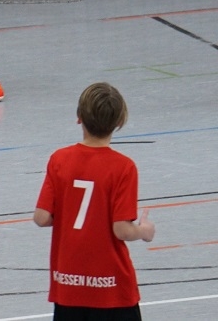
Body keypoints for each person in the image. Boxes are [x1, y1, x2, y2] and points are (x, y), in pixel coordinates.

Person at [34, 82, 155, 320]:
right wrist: (143, 231)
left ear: (79, 117)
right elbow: (121, 229)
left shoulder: (59, 159)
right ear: (119, 122)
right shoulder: (123, 167)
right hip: (111, 288)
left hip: (68, 285)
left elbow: (41, 217)